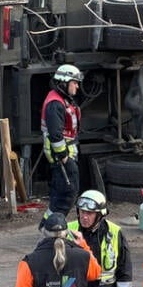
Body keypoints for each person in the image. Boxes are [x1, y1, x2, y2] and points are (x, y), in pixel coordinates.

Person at [40, 64, 83, 228]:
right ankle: (54, 226)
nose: (77, 86)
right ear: (64, 82)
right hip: (62, 157)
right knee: (68, 192)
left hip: (66, 154)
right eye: (75, 82)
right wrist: (64, 156)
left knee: (61, 193)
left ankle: (47, 224)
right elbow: (56, 135)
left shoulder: (60, 100)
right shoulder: (55, 104)